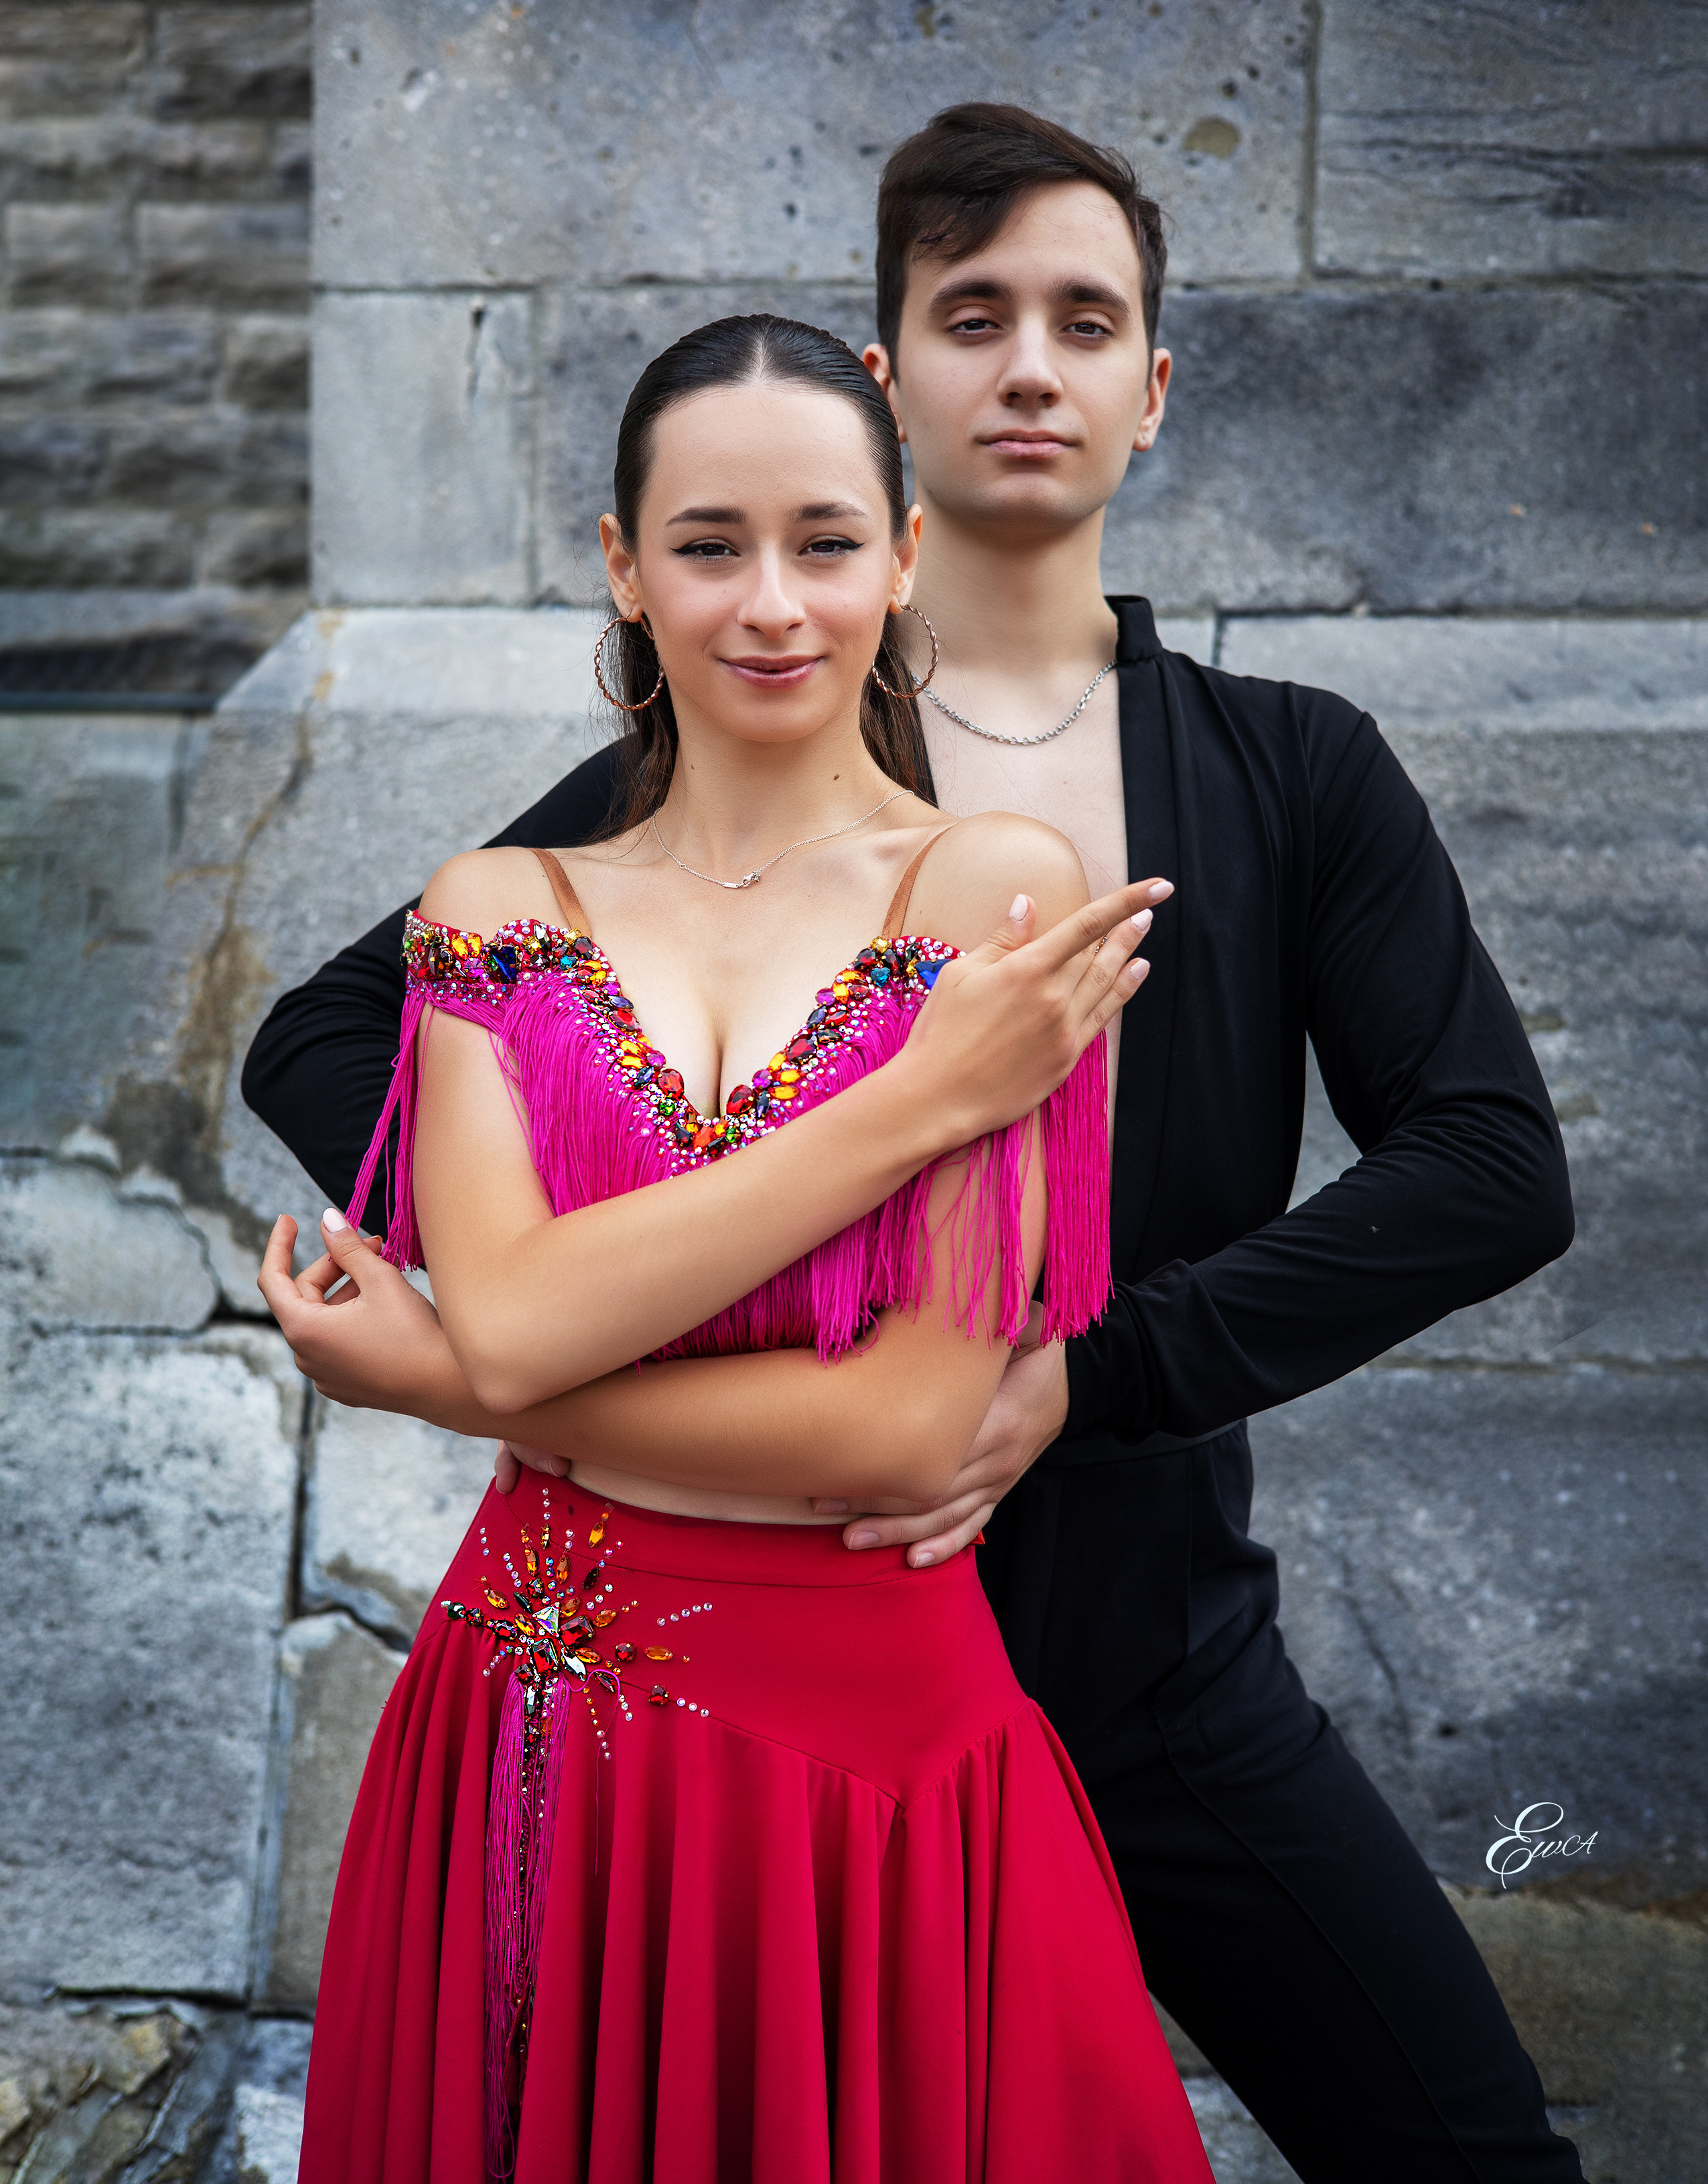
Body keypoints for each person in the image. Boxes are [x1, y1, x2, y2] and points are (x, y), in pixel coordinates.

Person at [253, 109, 1583, 2181]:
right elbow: (353, 1026)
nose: (1030, 366)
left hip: (1141, 1624)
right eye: (974, 317)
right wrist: (620, 1290)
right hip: (718, 1614)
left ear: (1154, 389)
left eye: (1086, 322)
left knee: (1469, 2146)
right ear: (889, 384)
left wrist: (1083, 1370)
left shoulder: (1290, 767)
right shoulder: (727, 726)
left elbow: (1496, 1164)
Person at [285, 312, 1210, 2181]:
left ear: (907, 553)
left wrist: (453, 1381)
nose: (770, 602)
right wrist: (915, 1105)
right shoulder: (498, 913)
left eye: (823, 540)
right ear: (623, 567)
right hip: (525, 1739)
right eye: (708, 544)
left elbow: (897, 1432)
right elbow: (532, 1323)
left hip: (867, 1756)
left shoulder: (996, 892)